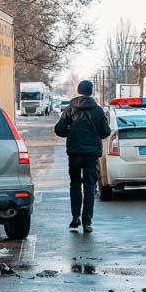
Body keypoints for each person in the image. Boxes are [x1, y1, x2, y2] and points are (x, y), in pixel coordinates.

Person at [54, 80, 110, 233]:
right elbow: (105, 132)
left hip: (75, 153)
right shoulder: (98, 111)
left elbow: (59, 129)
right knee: (90, 186)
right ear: (91, 92)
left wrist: (70, 133)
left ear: (79, 90)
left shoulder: (70, 109)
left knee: (75, 184)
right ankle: (87, 222)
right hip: (91, 154)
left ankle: (75, 217)